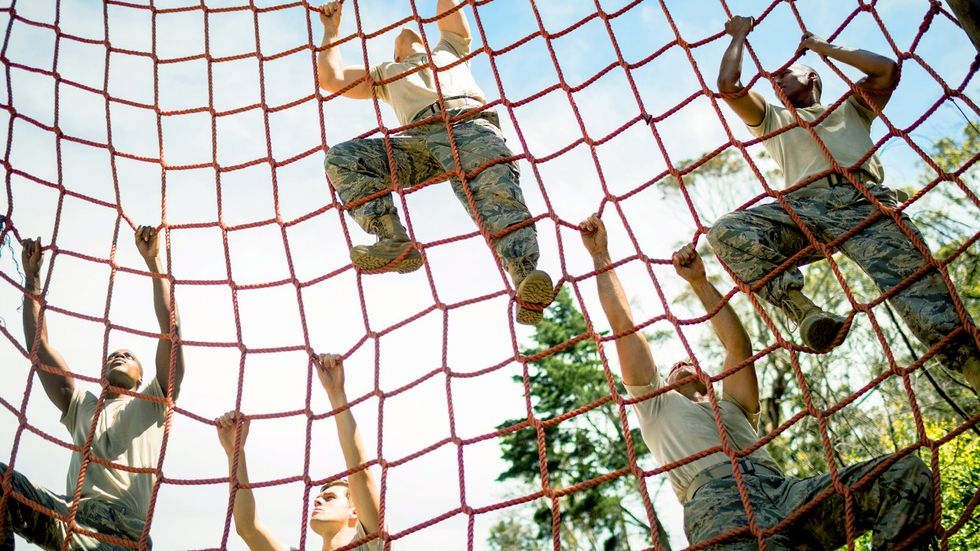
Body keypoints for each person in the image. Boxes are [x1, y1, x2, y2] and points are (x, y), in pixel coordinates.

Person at [579, 214, 934, 549]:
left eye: (691, 361)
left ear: (707, 377)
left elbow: (738, 346)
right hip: (720, 504)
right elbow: (623, 326)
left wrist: (700, 283)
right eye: (676, 365)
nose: (683, 361)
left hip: (784, 493)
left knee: (902, 475)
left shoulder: (731, 405)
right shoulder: (654, 405)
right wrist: (600, 255)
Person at [709, 16, 980, 390]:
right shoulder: (774, 118)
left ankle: (972, 365)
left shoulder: (849, 108)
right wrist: (738, 36)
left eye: (787, 73)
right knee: (726, 231)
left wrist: (823, 47)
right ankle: (803, 312)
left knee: (920, 290)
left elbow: (886, 70)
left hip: (862, 200)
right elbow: (729, 86)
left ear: (813, 79)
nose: (776, 79)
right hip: (803, 206)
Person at [316, 0, 553, 325]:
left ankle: (525, 279)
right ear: (397, 56)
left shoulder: (450, 49)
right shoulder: (386, 73)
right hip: (422, 140)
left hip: (469, 124)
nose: (407, 32)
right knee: (343, 158)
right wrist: (331, 32)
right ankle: (392, 239)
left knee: (496, 195)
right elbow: (333, 78)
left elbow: (449, 12)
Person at [2, 226, 185, 549]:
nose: (118, 357)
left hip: (122, 535)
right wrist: (32, 279)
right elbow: (38, 347)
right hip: (72, 519)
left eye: (127, 356)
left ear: (141, 377)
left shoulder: (154, 402)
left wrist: (154, 263)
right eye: (113, 355)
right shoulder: (82, 404)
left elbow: (171, 330)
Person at [216, 354, 382, 551]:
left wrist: (336, 394)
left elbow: (360, 473)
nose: (318, 500)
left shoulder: (372, 543)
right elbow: (248, 529)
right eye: (321, 497)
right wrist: (235, 453)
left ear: (354, 512)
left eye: (330, 498)